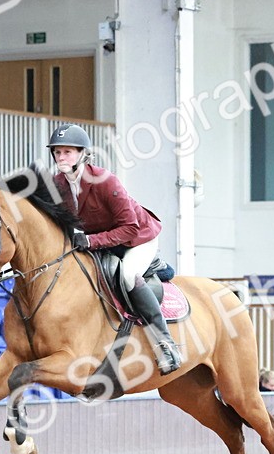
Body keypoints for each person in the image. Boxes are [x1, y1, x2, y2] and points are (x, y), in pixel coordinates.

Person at [47, 123, 183, 376]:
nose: (61, 157)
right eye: (57, 152)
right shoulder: (57, 183)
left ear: (82, 154)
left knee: (128, 276)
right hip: (100, 240)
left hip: (137, 238)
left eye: (67, 152)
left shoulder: (105, 180)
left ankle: (166, 344)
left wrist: (91, 241)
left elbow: (130, 227)